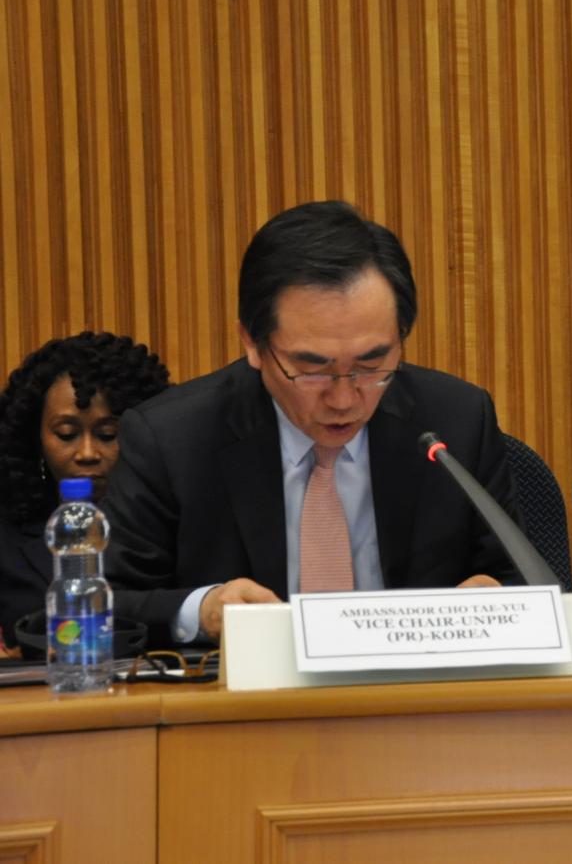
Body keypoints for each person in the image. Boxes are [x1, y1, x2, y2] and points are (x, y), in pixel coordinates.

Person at [104, 201, 522, 646]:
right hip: (250, 689)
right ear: (252, 343)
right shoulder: (173, 439)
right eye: (312, 369)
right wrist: (201, 611)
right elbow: (104, 605)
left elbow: (520, 578)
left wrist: (497, 596)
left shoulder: (457, 420)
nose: (343, 399)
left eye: (371, 364)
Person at [0, 332, 170, 649]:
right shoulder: (7, 534)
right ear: (36, 438)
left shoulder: (176, 519)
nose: (87, 453)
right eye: (67, 434)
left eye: (108, 434)